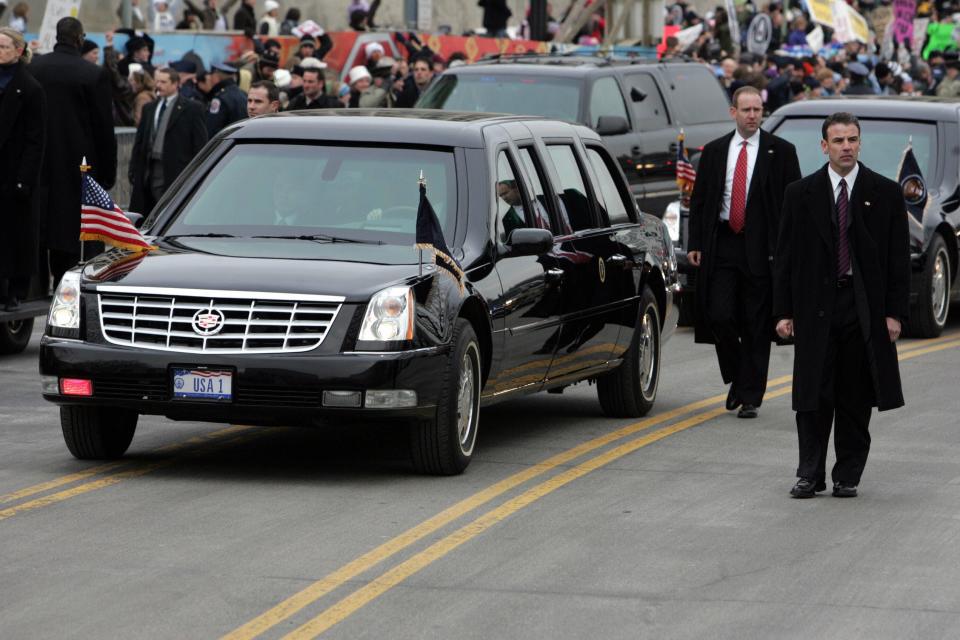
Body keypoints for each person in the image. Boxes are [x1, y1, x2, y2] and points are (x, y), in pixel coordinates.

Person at [774, 112, 910, 498]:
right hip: (815, 306)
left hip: (862, 306)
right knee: (813, 394)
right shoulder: (800, 194)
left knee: (855, 395)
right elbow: (785, 257)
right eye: (838, 141)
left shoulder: (884, 193)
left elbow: (897, 259)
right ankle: (809, 474)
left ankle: (847, 474)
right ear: (824, 146)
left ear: (860, 143)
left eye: (852, 139)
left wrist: (893, 313)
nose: (846, 146)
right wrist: (783, 312)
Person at [686, 86, 801, 419]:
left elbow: (792, 205)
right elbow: (701, 201)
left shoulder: (780, 151)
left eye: (758, 109)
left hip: (762, 248)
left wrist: (789, 249)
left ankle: (750, 395)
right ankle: (739, 375)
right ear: (732, 112)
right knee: (719, 314)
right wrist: (695, 242)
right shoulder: (715, 151)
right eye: (746, 109)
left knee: (755, 323)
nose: (753, 115)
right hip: (722, 243)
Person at [29, 17, 117, 287]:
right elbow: (104, 128)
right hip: (78, 167)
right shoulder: (92, 74)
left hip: (38, 163)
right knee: (74, 236)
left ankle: (36, 288)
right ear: (79, 38)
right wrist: (107, 175)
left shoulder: (34, 68)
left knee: (39, 230)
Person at [0, 27, 45, 311]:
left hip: (13, 173)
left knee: (14, 233)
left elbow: (35, 139)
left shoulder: (30, 88)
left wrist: (24, 180)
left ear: (18, 50)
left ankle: (14, 291)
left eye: (3, 46)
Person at [129, 67, 208, 215]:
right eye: (157, 81)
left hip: (175, 170)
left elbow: (200, 144)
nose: (158, 85)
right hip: (149, 168)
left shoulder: (192, 109)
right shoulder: (149, 108)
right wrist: (134, 168)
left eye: (163, 82)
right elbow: (140, 141)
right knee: (147, 209)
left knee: (168, 210)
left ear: (175, 84)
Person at [205, 62, 247, 136]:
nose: (210, 79)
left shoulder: (219, 99)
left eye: (211, 76)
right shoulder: (243, 94)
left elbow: (211, 129)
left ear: (216, 76)